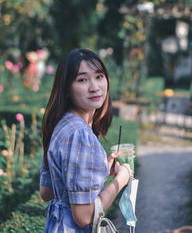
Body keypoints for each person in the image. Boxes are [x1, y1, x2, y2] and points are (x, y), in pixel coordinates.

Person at [40, 48, 132, 233]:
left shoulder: (61, 123)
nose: (95, 87)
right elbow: (83, 217)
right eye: (82, 79)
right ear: (66, 89)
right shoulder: (80, 136)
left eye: (99, 76)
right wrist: (120, 181)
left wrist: (99, 171)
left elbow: (48, 191)